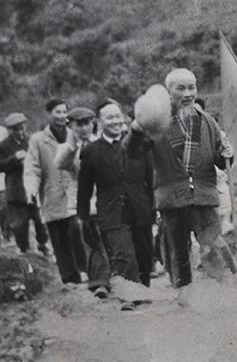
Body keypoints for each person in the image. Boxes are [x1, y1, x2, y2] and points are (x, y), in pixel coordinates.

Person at [129, 68, 235, 288]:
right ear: (169, 92)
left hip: (204, 195)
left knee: (213, 245)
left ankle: (222, 286)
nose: (188, 94)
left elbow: (218, 159)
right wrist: (136, 131)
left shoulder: (207, 121)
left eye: (191, 87)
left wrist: (227, 154)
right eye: (181, 88)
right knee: (177, 251)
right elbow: (132, 153)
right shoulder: (155, 122)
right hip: (172, 198)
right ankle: (184, 292)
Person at [78, 100, 156, 288]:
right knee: (123, 253)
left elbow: (151, 178)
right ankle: (129, 293)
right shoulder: (91, 151)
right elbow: (84, 188)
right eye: (109, 117)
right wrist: (83, 216)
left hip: (141, 207)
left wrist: (155, 207)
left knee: (144, 254)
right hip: (111, 210)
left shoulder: (142, 144)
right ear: (99, 121)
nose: (115, 121)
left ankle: (142, 288)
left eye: (117, 116)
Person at [23, 101, 89, 284]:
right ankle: (69, 277)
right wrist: (31, 189)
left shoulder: (74, 135)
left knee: (76, 231)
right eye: (57, 112)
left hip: (74, 192)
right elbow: (32, 167)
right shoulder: (38, 139)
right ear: (49, 114)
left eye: (64, 112)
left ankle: (84, 269)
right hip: (51, 193)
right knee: (58, 237)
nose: (61, 115)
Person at [0, 112, 49, 258]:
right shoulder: (3, 146)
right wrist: (14, 158)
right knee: (19, 224)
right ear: (9, 130)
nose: (20, 132)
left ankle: (43, 244)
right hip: (15, 188)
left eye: (22, 128)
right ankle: (23, 249)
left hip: (33, 187)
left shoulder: (32, 140)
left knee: (40, 220)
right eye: (16, 129)